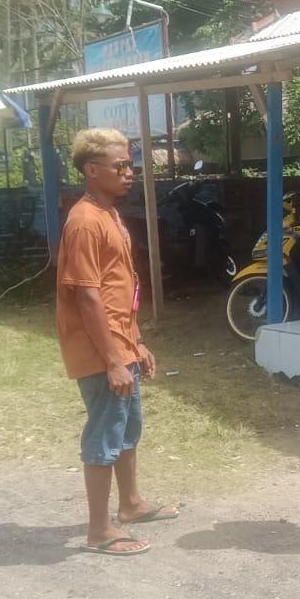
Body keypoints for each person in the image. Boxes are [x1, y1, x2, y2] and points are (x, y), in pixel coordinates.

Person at [56, 128, 177, 556]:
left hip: (121, 343)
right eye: (120, 166)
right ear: (92, 170)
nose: (130, 173)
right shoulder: (85, 222)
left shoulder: (108, 213)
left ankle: (130, 504)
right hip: (99, 350)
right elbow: (87, 297)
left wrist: (136, 342)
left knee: (127, 427)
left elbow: (117, 290)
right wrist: (112, 360)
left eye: (130, 165)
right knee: (105, 433)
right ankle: (99, 530)